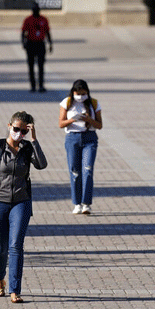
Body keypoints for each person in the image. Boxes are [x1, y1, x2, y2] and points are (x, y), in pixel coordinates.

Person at [0, 111, 47, 304]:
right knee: (0, 249)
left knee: (15, 246)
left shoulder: (27, 148)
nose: (19, 133)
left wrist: (35, 140)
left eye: (23, 131)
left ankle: (15, 290)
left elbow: (42, 165)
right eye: (16, 129)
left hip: (21, 202)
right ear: (9, 126)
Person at [58, 80, 102, 215]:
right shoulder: (67, 102)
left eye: (84, 94)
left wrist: (89, 120)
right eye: (78, 93)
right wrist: (73, 119)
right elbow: (61, 123)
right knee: (74, 170)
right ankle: (77, 203)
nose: (81, 96)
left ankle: (86, 204)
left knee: (87, 169)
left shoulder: (93, 103)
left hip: (90, 138)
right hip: (73, 138)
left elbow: (99, 125)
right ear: (73, 92)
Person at [21, 2, 52, 92]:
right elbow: (23, 32)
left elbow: (47, 32)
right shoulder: (28, 20)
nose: (36, 11)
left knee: (41, 66)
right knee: (31, 66)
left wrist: (50, 43)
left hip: (40, 44)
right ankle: (33, 86)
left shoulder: (44, 19)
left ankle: (41, 85)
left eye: (37, 9)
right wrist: (23, 42)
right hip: (31, 44)